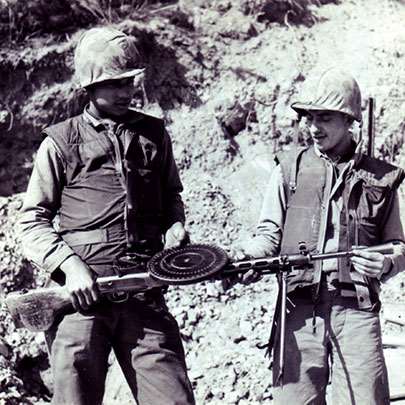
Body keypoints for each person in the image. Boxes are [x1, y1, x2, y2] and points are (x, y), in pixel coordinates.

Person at [18, 27, 195, 405]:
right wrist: (70, 266)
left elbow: (171, 198)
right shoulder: (60, 142)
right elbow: (31, 221)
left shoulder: (153, 135)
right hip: (80, 300)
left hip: (144, 293)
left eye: (129, 81)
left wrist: (175, 226)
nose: (125, 92)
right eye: (113, 83)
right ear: (88, 85)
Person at [230, 68, 405, 404]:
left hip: (355, 310)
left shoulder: (381, 179)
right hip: (298, 308)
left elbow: (398, 246)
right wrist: (246, 256)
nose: (313, 127)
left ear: (349, 119)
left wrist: (384, 263)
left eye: (324, 117)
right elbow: (269, 233)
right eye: (309, 117)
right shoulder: (289, 168)